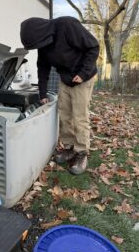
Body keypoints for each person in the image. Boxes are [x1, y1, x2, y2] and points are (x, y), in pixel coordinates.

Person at [20, 16, 99, 175]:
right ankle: (69, 147)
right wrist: (42, 93)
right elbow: (42, 68)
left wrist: (83, 74)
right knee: (64, 115)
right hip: (66, 79)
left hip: (83, 77)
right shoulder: (43, 43)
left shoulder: (67, 26)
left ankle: (82, 152)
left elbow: (93, 47)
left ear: (41, 33)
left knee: (79, 116)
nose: (38, 47)